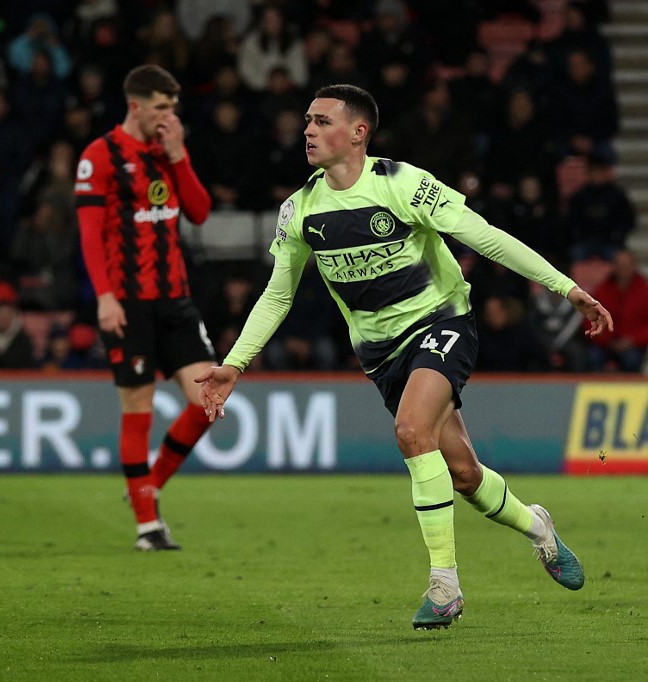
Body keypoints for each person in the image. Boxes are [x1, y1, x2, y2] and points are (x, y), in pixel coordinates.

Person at [195, 84, 614, 628]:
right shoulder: (300, 209)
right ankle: (539, 528)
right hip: (380, 354)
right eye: (307, 122)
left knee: (411, 432)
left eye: (321, 122)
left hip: (442, 323)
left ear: (358, 132)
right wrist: (236, 362)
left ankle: (445, 586)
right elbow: (279, 294)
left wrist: (566, 288)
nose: (307, 131)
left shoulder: (404, 184)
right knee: (463, 475)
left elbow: (484, 237)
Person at [75, 64, 216, 551]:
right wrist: (105, 296)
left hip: (176, 300)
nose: (169, 116)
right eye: (161, 107)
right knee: (139, 410)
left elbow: (199, 212)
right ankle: (146, 525)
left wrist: (179, 156)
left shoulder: (168, 151)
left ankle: (147, 486)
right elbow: (90, 236)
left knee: (208, 401)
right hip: (128, 305)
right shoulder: (101, 155)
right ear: (135, 106)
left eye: (173, 107)